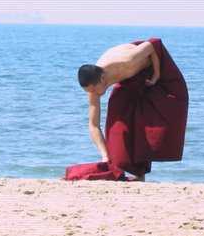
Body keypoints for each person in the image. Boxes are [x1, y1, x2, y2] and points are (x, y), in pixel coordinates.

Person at [77, 37, 188, 181]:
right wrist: (104, 155)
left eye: (93, 90)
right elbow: (93, 125)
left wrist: (156, 74)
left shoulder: (127, 61)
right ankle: (122, 167)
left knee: (155, 116)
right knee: (117, 121)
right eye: (89, 91)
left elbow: (154, 44)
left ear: (102, 79)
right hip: (128, 80)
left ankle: (139, 174)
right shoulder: (93, 86)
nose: (92, 93)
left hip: (150, 71)